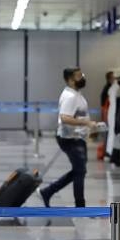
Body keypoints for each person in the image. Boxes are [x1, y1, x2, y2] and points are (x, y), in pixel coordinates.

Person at [39, 68, 97, 207]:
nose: (82, 78)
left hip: (77, 137)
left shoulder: (76, 94)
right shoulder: (70, 97)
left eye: (82, 75)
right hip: (70, 138)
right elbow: (65, 118)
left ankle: (48, 192)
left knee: (79, 170)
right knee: (80, 171)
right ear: (70, 80)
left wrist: (88, 127)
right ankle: (80, 206)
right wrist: (86, 123)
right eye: (79, 76)